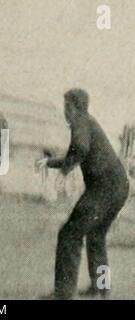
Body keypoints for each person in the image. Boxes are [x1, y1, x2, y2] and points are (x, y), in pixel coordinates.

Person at [37, 88, 129, 299]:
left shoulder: (80, 121)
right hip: (118, 187)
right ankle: (102, 288)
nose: (64, 112)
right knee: (96, 236)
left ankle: (64, 293)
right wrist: (50, 162)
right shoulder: (88, 122)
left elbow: (79, 148)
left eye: (65, 107)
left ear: (72, 107)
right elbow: (79, 151)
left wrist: (63, 171)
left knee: (69, 234)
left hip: (104, 188)